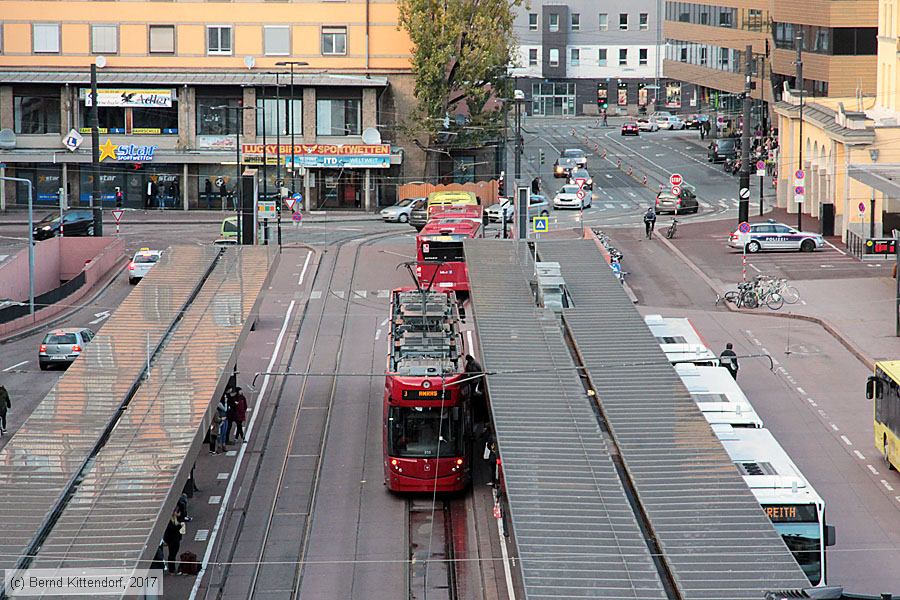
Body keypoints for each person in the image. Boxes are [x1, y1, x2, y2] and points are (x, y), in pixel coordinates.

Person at [162, 510, 184, 574]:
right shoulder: (169, 521)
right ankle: (171, 570)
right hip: (171, 540)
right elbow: (171, 529)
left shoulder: (176, 519)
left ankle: (172, 569)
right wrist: (179, 526)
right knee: (172, 554)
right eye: (176, 512)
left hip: (176, 539)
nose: (178, 513)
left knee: (173, 554)